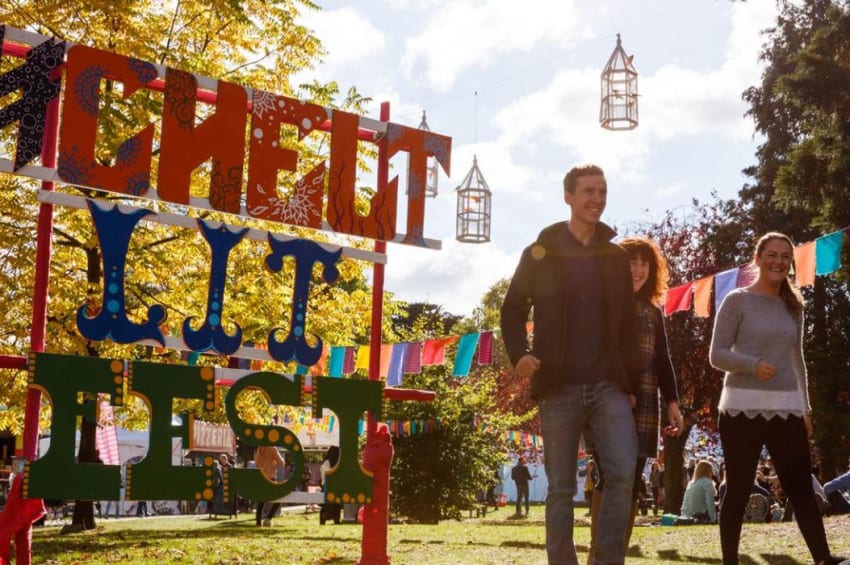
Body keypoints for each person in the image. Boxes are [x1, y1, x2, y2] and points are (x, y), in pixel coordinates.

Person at [500, 163, 641, 565]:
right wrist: (519, 353)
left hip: (608, 384)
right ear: (568, 196)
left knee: (622, 474)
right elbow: (512, 308)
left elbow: (627, 326)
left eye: (602, 192)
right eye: (588, 192)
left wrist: (630, 384)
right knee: (560, 488)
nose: (597, 199)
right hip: (558, 385)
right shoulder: (540, 252)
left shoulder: (615, 257)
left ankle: (606, 561)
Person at [709, 231, 846, 565]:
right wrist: (752, 365)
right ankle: (730, 561)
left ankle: (823, 558)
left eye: (785, 256)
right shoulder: (737, 300)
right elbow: (717, 355)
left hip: (786, 411)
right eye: (772, 255)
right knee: (739, 490)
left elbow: (797, 360)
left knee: (800, 486)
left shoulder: (793, 305)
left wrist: (806, 407)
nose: (779, 262)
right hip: (740, 410)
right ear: (757, 259)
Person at [587, 236, 685, 562]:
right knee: (609, 474)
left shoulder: (653, 311)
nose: (638, 269)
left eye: (645, 263)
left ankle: (615, 557)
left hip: (645, 403)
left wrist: (673, 402)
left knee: (630, 481)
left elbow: (663, 360)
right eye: (632, 261)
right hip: (607, 399)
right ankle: (597, 555)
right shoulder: (602, 304)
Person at [254, 445, 285, 527]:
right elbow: (281, 463)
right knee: (280, 498)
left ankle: (258, 523)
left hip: (261, 478)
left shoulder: (260, 448)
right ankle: (268, 518)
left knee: (261, 501)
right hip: (270, 478)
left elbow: (256, 463)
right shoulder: (272, 448)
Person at [319, 446, 341, 525]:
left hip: (332, 486)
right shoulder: (327, 463)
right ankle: (328, 517)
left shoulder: (329, 463)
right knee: (330, 504)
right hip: (328, 486)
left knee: (335, 504)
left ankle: (334, 518)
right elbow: (326, 476)